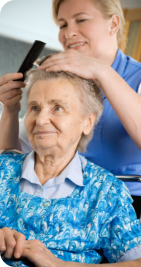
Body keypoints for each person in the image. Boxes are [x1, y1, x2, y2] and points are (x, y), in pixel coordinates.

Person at [0, 66, 141, 267]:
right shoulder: (2, 169)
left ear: (88, 122)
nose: (40, 120)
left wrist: (60, 265)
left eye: (57, 108)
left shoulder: (107, 192)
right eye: (34, 108)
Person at [0, 0, 141, 196]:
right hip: (63, 199)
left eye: (81, 20)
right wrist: (10, 110)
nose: (68, 33)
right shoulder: (61, 83)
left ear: (113, 24)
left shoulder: (138, 78)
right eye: (63, 25)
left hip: (127, 202)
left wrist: (102, 71)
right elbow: (14, 159)